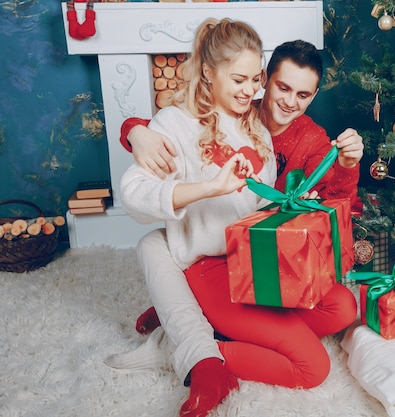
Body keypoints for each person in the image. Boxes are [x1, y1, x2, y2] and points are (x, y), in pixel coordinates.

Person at [120, 19, 358, 417]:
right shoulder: (173, 124)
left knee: (341, 306)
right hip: (209, 268)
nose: (251, 91)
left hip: (253, 261)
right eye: (241, 80)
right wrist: (208, 186)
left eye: (254, 79)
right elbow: (134, 197)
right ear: (208, 72)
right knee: (313, 366)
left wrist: (341, 171)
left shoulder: (255, 128)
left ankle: (208, 331)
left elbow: (329, 200)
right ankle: (191, 353)